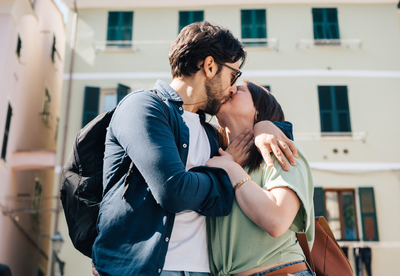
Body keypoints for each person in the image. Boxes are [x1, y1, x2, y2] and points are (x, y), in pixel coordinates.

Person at [91, 21, 298, 276]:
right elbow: (173, 191)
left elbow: (265, 137)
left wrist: (265, 126)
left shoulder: (212, 134)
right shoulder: (144, 107)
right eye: (233, 75)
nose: (232, 86)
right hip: (145, 270)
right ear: (210, 66)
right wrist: (226, 169)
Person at [206, 81, 315, 276]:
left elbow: (277, 220)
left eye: (239, 89)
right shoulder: (214, 158)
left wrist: (232, 169)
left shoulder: (282, 150)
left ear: (259, 108)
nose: (229, 88)